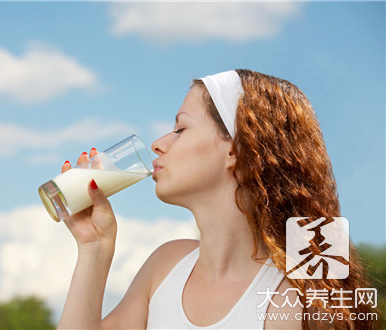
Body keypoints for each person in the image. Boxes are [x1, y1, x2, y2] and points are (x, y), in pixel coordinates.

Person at [57, 69, 377, 329]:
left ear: (236, 150)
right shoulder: (166, 264)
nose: (157, 144)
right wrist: (93, 248)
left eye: (181, 129)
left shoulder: (307, 285)